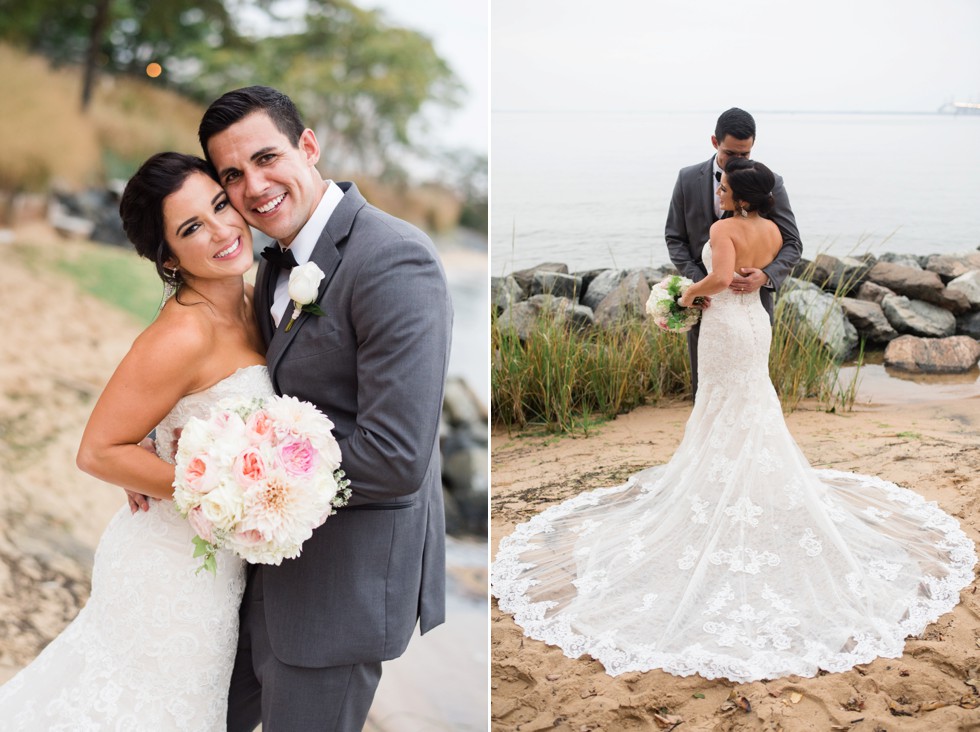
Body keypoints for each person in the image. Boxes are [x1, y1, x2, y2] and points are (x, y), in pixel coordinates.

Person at [490, 158, 976, 683]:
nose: (717, 190)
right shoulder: (769, 229)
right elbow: (757, 270)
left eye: (723, 185)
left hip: (725, 326)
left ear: (739, 193)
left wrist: (684, 295)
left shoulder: (724, 228)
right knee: (748, 402)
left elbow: (720, 278)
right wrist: (733, 283)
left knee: (721, 402)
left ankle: (723, 491)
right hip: (755, 324)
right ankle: (739, 485)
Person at [195, 86, 453, 731]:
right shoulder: (271, 266)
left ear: (308, 147)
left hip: (342, 587)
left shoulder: (394, 259)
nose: (253, 187)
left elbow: (395, 459)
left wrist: (246, 490)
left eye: (266, 158)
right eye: (232, 175)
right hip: (258, 572)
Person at [0, 152, 271, 729]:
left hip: (218, 571)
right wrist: (220, 490)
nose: (222, 230)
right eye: (192, 227)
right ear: (169, 256)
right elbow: (98, 450)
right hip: (168, 569)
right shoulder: (181, 333)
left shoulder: (253, 302)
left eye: (221, 205)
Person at [665, 107, 802, 396]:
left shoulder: (769, 182)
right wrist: (700, 282)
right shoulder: (687, 178)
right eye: (731, 154)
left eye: (746, 154)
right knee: (704, 388)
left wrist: (765, 276)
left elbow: (792, 242)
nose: (738, 161)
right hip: (705, 304)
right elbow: (675, 239)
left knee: (751, 389)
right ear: (715, 142)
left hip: (752, 305)